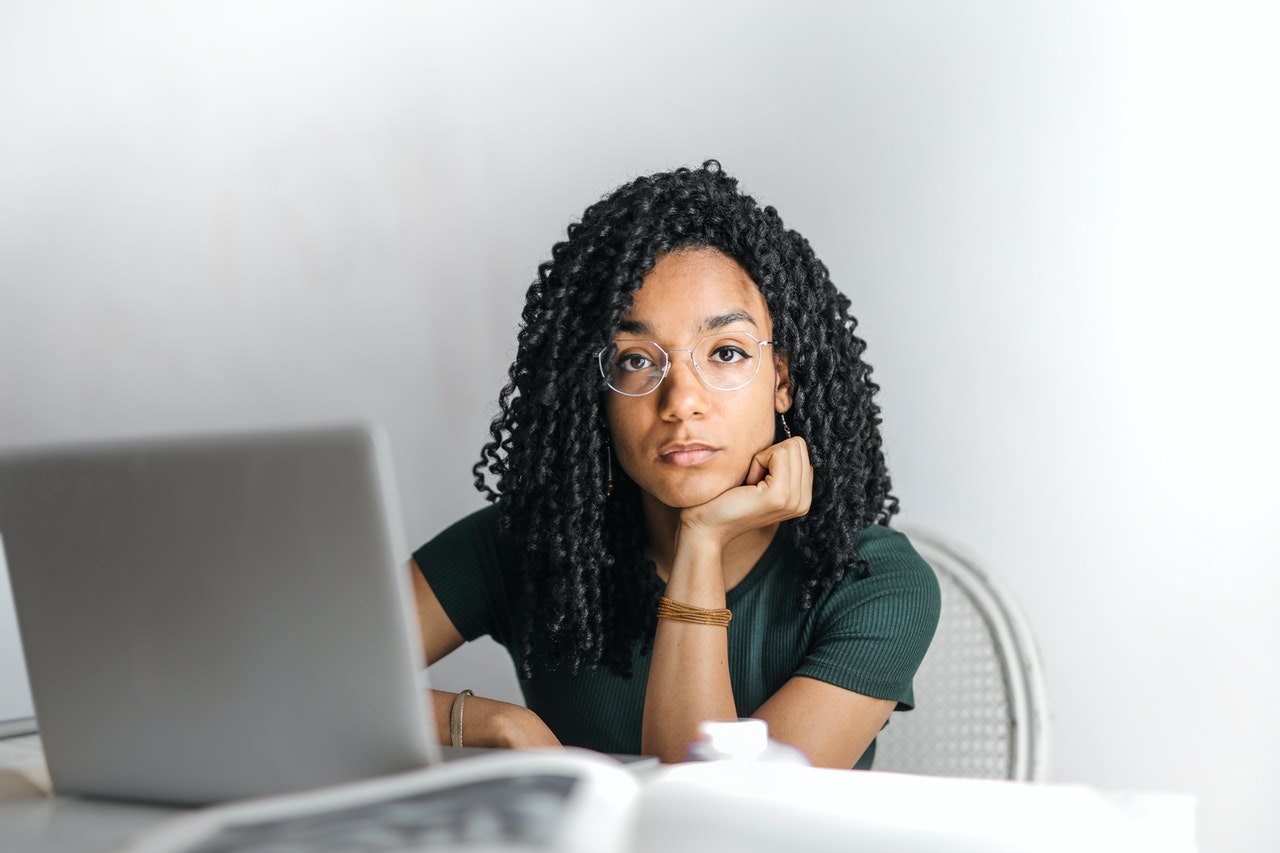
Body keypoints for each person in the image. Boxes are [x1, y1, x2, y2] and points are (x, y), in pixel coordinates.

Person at [411, 161, 940, 769]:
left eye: (726, 352)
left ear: (782, 381)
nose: (682, 401)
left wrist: (702, 539)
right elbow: (293, 679)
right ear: (598, 393)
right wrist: (497, 722)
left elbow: (714, 823)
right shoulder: (533, 544)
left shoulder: (874, 581)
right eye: (636, 360)